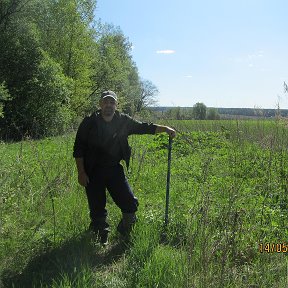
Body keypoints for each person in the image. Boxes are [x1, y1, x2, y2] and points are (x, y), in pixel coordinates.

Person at [73, 90, 176, 244]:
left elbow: (144, 127)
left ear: (116, 104)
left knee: (129, 202)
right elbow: (78, 149)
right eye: (105, 102)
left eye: (112, 102)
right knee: (97, 207)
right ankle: (101, 235)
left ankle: (126, 231)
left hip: (114, 169)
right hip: (92, 170)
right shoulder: (89, 123)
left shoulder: (123, 121)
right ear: (100, 104)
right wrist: (81, 172)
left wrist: (165, 128)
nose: (109, 105)